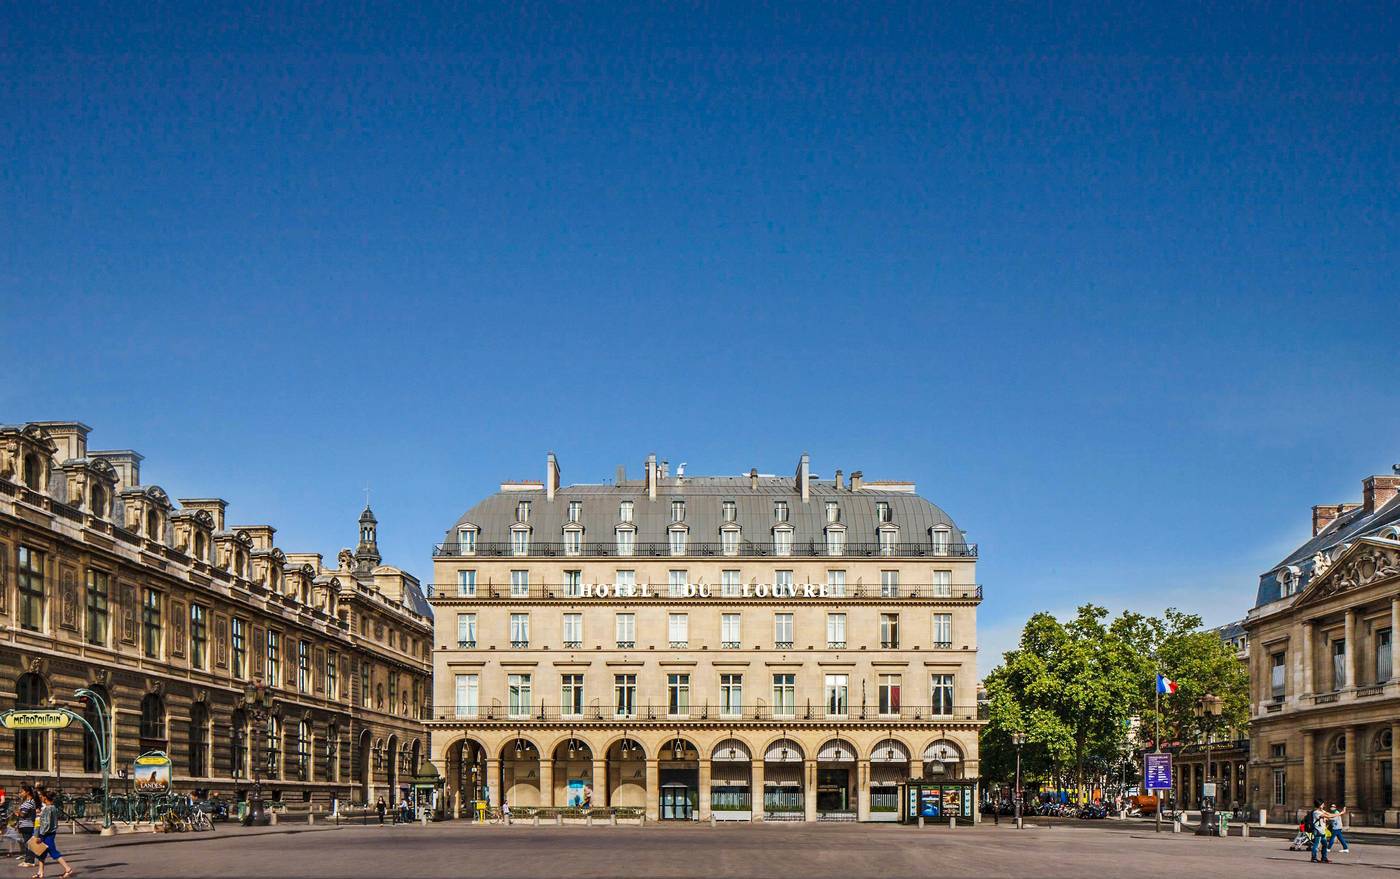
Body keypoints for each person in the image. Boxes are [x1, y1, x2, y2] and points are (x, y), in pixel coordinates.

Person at [31, 788, 73, 879]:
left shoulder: (48, 809)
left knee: (52, 851)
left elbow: (46, 824)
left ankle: (68, 869)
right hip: (50, 833)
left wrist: (39, 835)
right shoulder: (53, 808)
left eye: (42, 797)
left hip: (46, 834)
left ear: (45, 798)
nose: (41, 798)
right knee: (41, 852)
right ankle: (40, 872)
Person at [16, 783, 38, 869]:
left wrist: (18, 812)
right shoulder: (26, 801)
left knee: (29, 844)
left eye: (22, 791)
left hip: (28, 825)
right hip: (24, 825)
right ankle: (27, 860)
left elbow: (23, 814)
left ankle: (30, 861)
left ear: (27, 792)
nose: (20, 793)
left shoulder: (30, 802)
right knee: (26, 843)